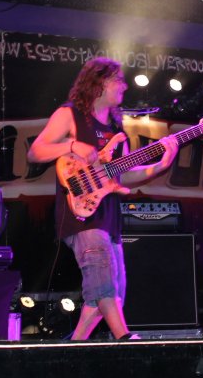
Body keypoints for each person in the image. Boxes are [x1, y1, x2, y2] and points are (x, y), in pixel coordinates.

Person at [28, 57, 179, 340]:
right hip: (81, 214)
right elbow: (35, 152)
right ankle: (125, 338)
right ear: (99, 83)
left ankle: (75, 347)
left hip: (109, 217)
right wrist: (73, 145)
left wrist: (161, 165)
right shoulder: (69, 114)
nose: (124, 86)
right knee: (104, 282)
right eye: (118, 79)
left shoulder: (115, 130)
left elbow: (122, 177)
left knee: (111, 290)